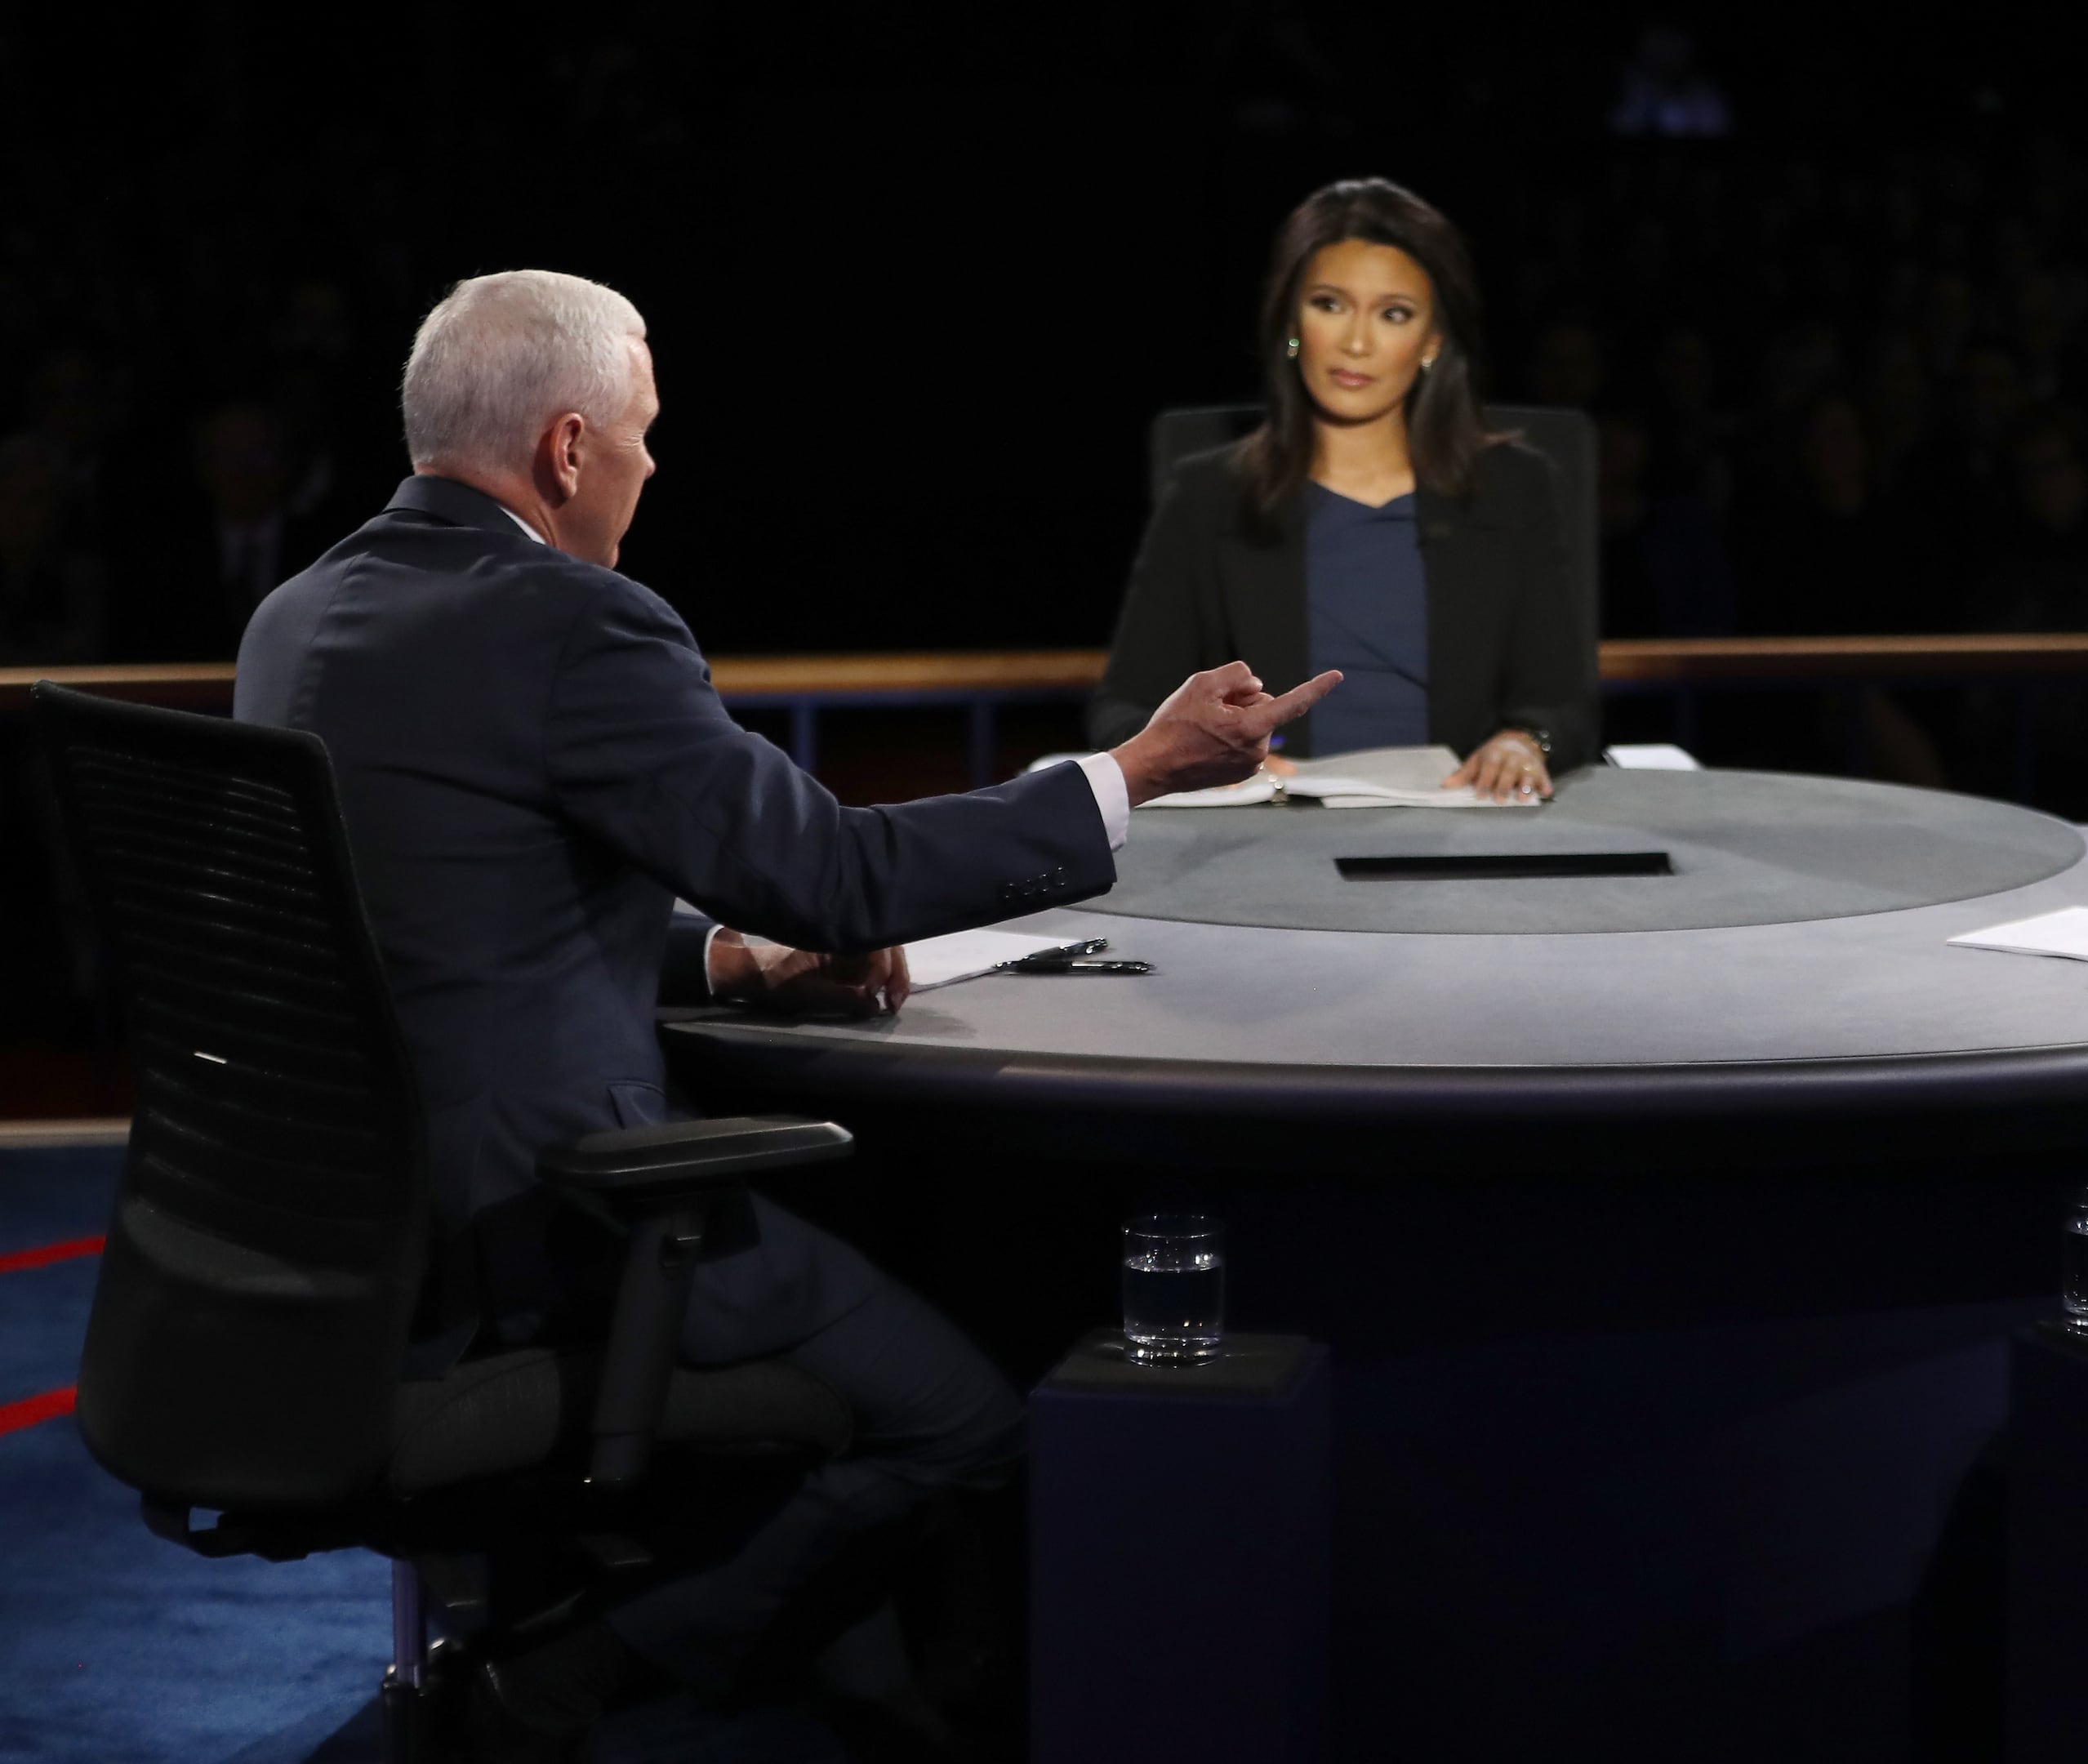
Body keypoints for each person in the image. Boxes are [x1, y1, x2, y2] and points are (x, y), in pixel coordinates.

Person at [234, 269, 1334, 1756]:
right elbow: (836, 874)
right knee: (966, 1420)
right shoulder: (575, 624)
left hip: (356, 1236)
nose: (651, 467)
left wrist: (726, 962)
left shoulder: (300, 618)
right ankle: (569, 1681)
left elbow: (453, 918)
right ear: (567, 451)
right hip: (557, 1221)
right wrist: (1132, 772)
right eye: (642, 435)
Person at [1092, 178, 1591, 801]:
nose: (1357, 342)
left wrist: (1525, 743)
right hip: (1270, 830)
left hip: (1458, 828)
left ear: (1432, 341)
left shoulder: (1515, 489)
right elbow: (1123, 709)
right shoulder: (1208, 494)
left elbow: (1564, 707)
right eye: (1330, 304)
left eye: (1394, 314)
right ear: (1292, 321)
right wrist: (1213, 761)